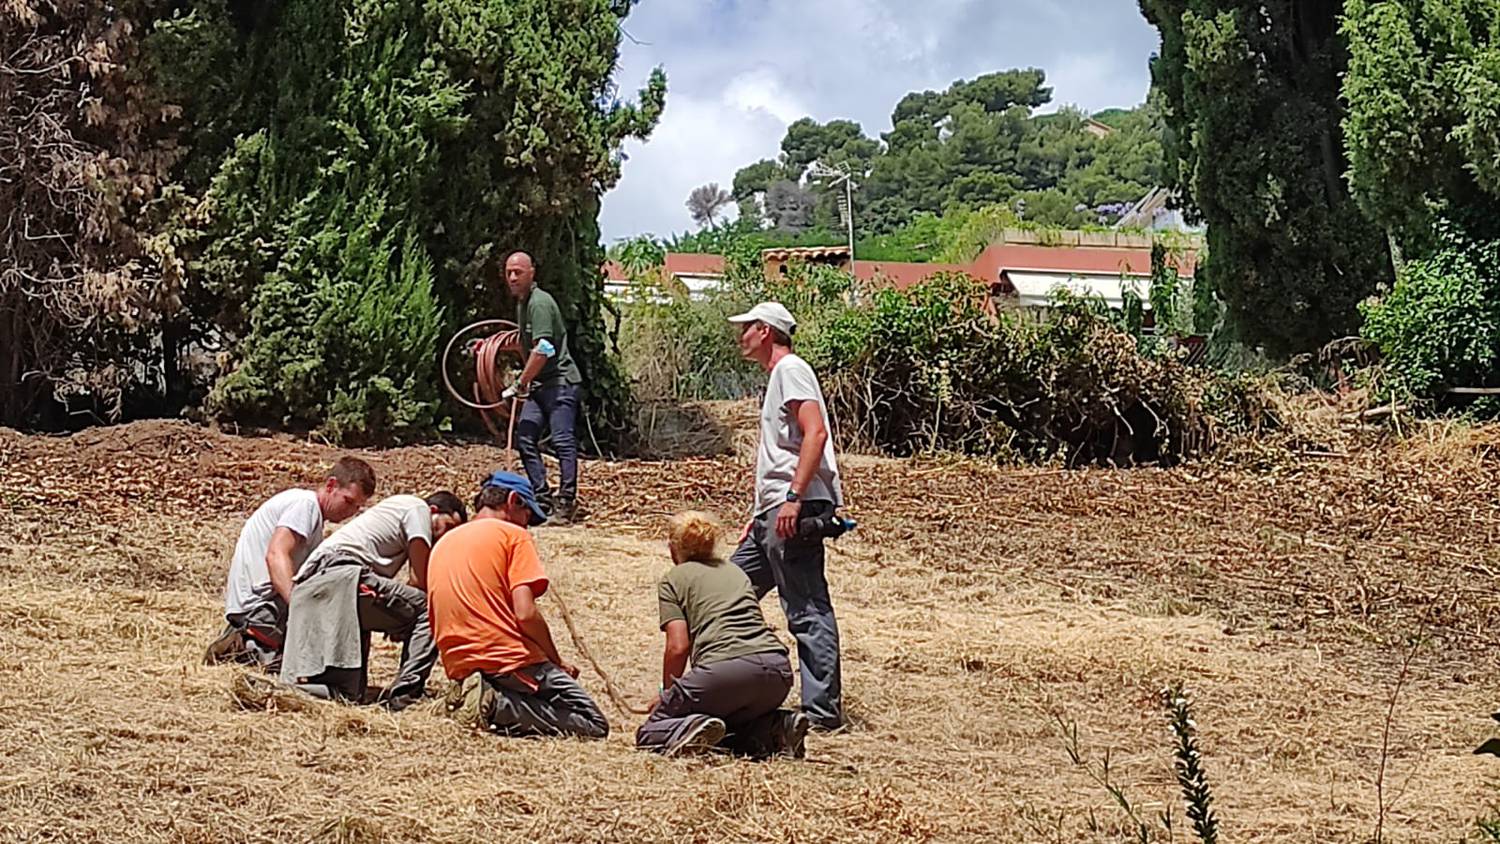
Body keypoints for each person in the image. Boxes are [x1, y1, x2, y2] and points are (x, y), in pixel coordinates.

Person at [726, 302, 846, 731]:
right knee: (726, 592)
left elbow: (815, 432)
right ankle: (729, 688)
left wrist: (793, 499)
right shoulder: (780, 376)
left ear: (764, 330)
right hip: (772, 513)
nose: (741, 336)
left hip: (791, 509)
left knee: (806, 608)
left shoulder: (792, 370)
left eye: (746, 328)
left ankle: (820, 715)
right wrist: (760, 512)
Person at [427, 471, 608, 739]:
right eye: (528, 516)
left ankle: (477, 694)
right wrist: (555, 660)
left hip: (460, 662)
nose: (527, 525)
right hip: (505, 658)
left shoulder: (443, 544)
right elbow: (525, 613)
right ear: (513, 500)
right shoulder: (512, 535)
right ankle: (495, 704)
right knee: (592, 723)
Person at [636, 511, 809, 758]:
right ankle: (777, 727)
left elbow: (678, 647)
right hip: (777, 671)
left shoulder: (674, 579)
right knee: (729, 723)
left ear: (674, 548)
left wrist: (668, 695)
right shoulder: (735, 571)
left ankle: (687, 727)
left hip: (724, 672)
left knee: (651, 731)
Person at [278, 492, 468, 710]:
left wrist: (400, 615)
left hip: (313, 587)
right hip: (342, 573)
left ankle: (279, 690)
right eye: (449, 526)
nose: (446, 535)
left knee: (348, 695)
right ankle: (406, 696)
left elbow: (405, 591)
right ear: (434, 511)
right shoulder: (417, 508)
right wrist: (405, 620)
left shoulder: (389, 518)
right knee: (431, 606)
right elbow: (420, 580)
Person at [205, 457, 376, 668]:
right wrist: (301, 609)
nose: (350, 512)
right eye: (348, 501)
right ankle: (248, 643)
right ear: (331, 485)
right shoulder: (305, 505)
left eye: (357, 507)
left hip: (254, 607)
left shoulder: (310, 514)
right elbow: (276, 554)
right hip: (259, 607)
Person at [502, 251, 584, 525]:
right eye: (509, 272)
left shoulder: (539, 303)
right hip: (541, 385)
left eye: (518, 272)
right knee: (525, 437)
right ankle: (542, 497)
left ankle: (566, 501)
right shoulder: (523, 304)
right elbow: (529, 343)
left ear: (532, 273)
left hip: (560, 383)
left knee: (562, 441)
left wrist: (519, 383)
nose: (513, 277)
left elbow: (544, 349)